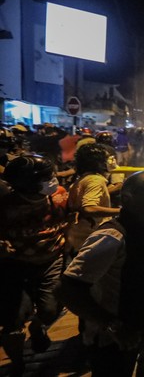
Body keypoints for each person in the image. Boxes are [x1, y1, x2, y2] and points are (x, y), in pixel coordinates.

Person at [55, 169, 144, 376]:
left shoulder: (141, 227)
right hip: (114, 327)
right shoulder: (110, 237)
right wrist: (112, 325)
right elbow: (67, 287)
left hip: (142, 313)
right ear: (141, 205)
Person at [0, 155, 68, 375]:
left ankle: (38, 327)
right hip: (14, 267)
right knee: (13, 323)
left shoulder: (59, 196)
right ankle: (18, 364)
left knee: (50, 310)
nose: (54, 179)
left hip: (52, 261)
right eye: (47, 177)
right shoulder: (5, 204)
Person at [66, 143, 121, 258]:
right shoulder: (95, 180)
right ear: (98, 162)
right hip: (90, 240)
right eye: (107, 158)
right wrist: (121, 211)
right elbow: (89, 208)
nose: (111, 161)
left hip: (78, 239)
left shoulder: (85, 178)